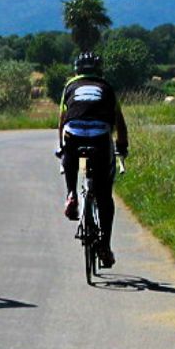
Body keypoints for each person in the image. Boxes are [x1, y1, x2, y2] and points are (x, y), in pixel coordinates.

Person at [57, 51, 129, 268]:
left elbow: (62, 120)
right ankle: (104, 246)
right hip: (99, 139)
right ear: (99, 70)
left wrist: (61, 147)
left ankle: (71, 194)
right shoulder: (107, 87)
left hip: (74, 136)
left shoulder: (70, 86)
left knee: (76, 159)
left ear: (77, 70)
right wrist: (122, 147)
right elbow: (119, 123)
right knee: (104, 195)